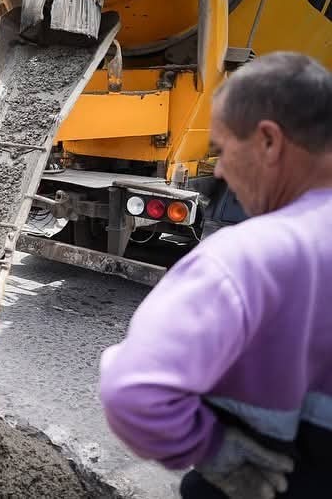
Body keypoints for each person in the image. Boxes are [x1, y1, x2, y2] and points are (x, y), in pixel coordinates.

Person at [99, 52, 332, 499]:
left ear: (269, 141)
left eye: (222, 150)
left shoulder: (247, 258)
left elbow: (133, 392)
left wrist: (214, 450)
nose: (220, 169)